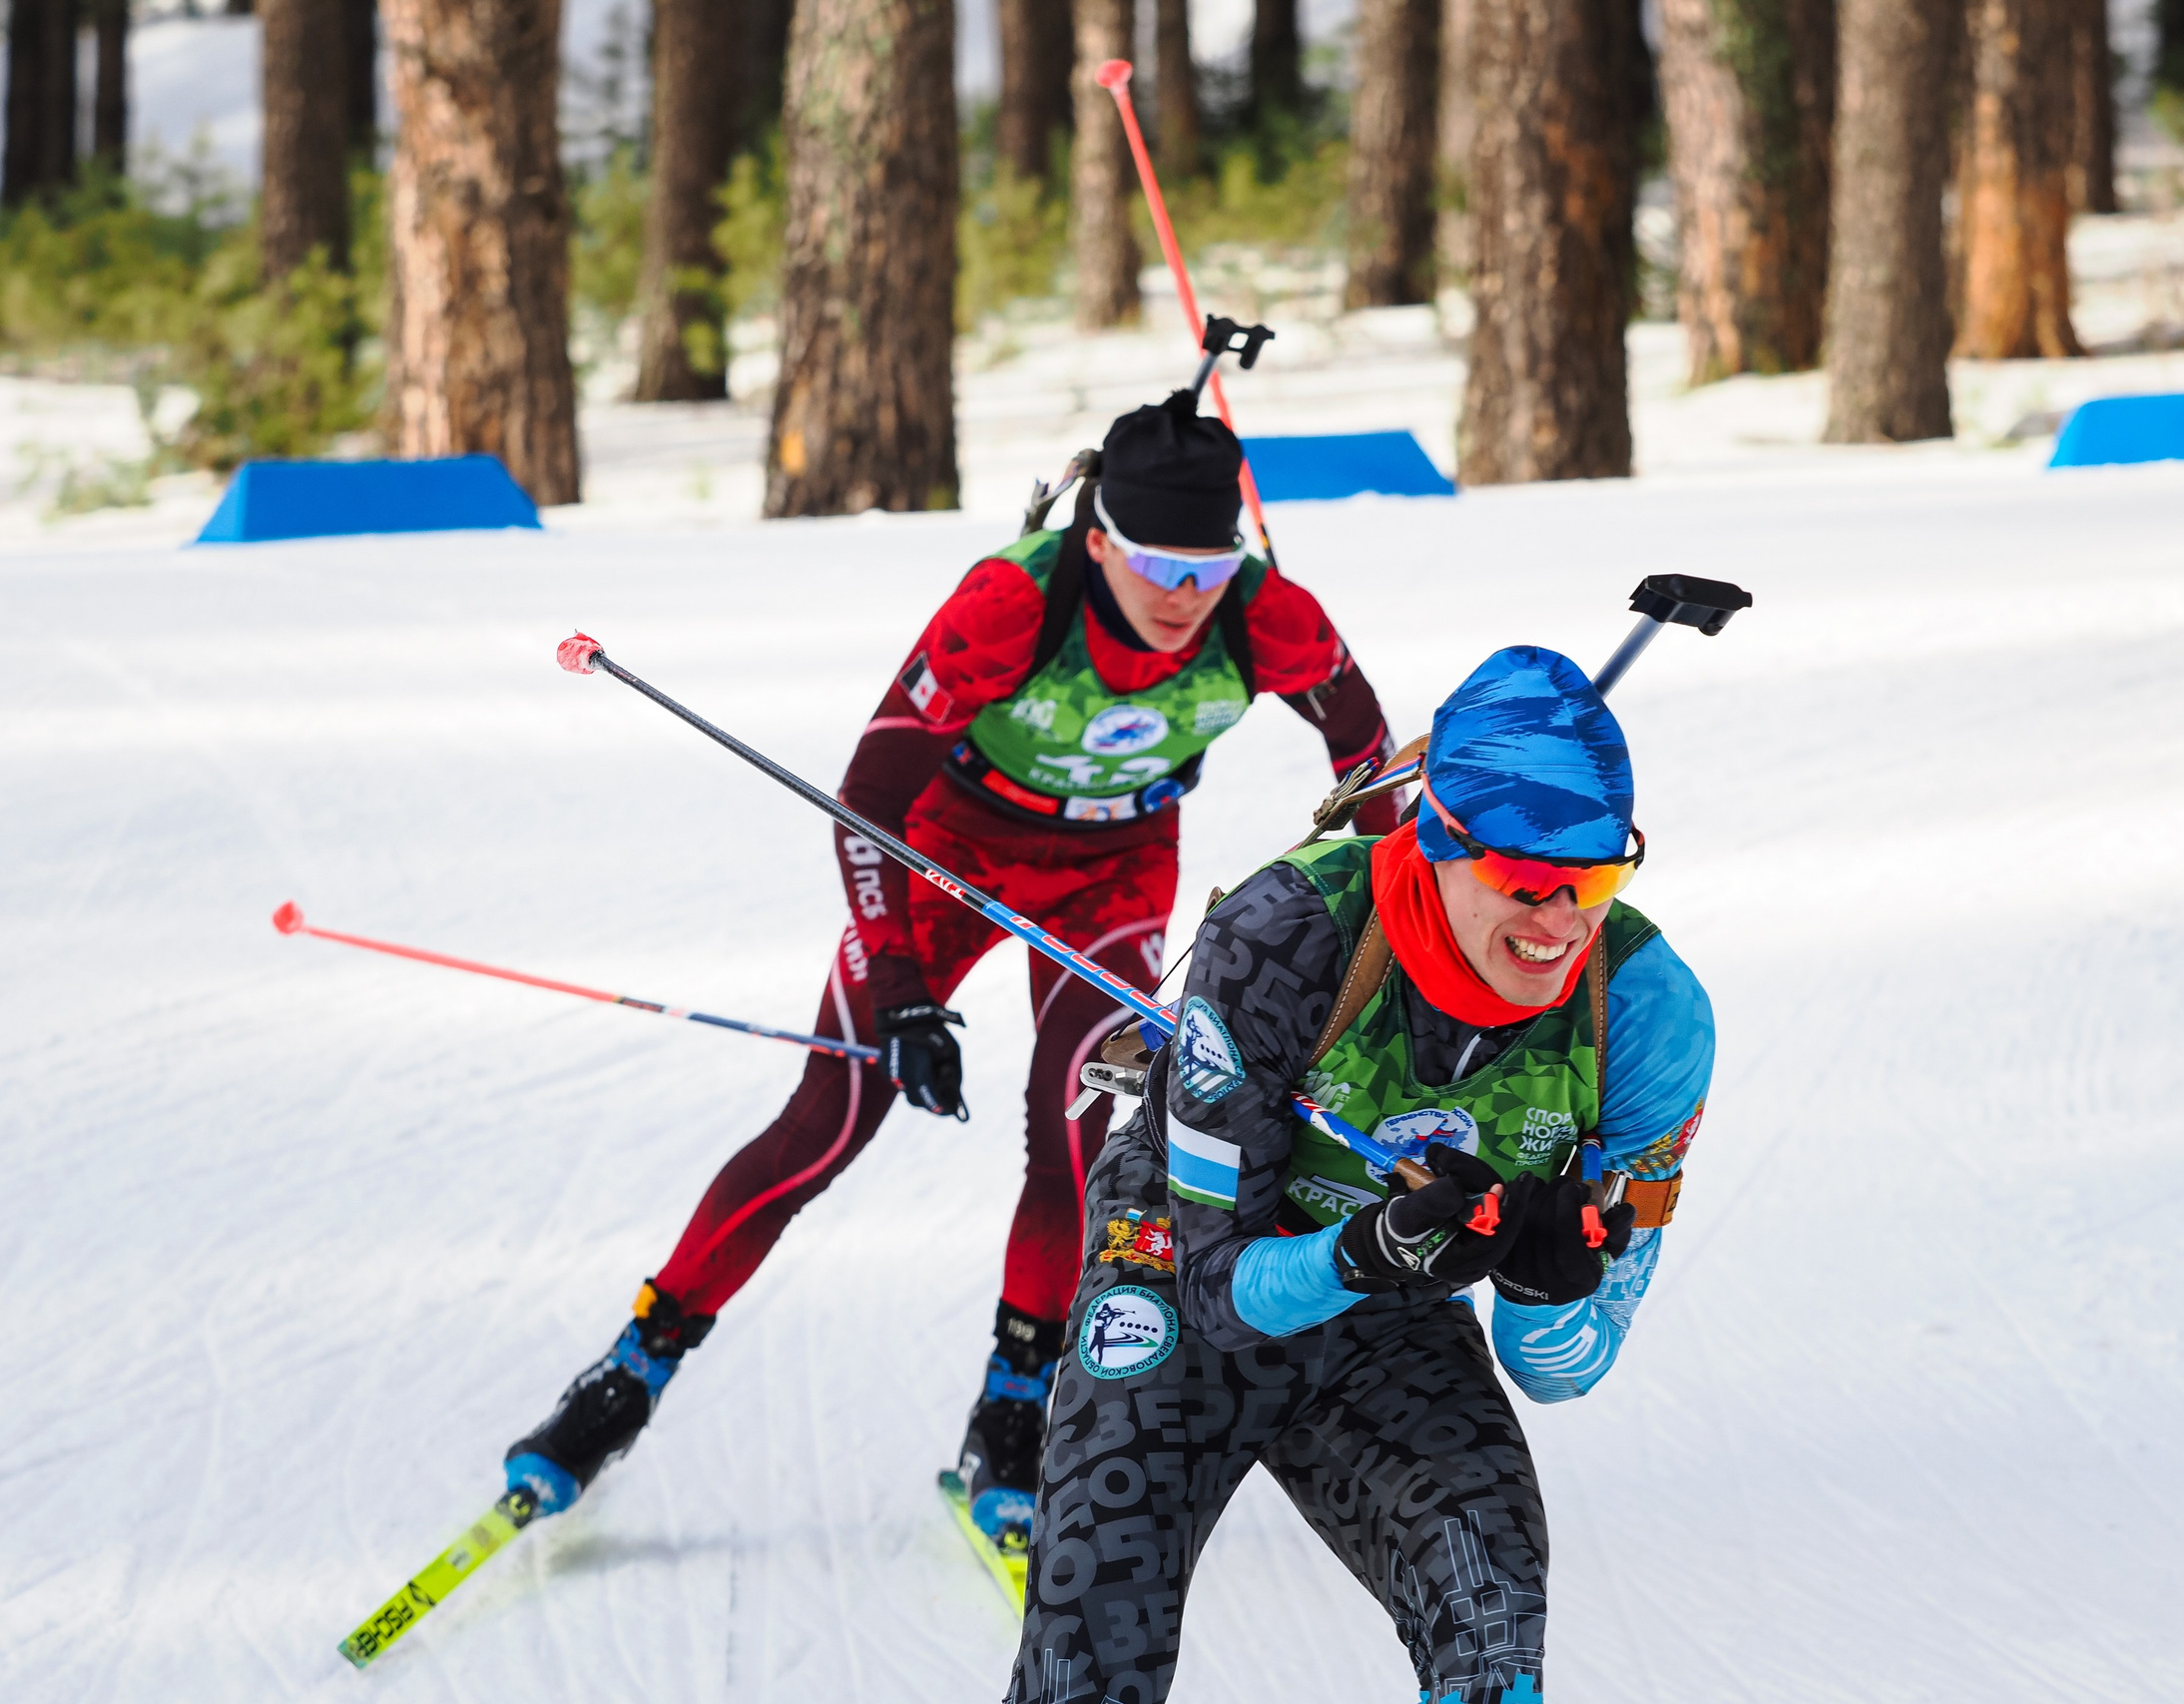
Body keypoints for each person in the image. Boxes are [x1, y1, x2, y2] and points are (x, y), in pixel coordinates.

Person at [501, 390, 1403, 1558]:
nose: (1184, 599)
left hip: (1116, 869)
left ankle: (1014, 1405)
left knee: (1076, 1125)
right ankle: (632, 1368)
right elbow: (865, 798)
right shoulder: (1013, 603)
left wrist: (1362, 920)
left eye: (1207, 567)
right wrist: (901, 991)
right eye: (1153, 565)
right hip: (943, 847)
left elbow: (1372, 773)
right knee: (830, 1117)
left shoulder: (1266, 613)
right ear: (1097, 541)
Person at [1005, 647, 1714, 1704]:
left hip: (1386, 1315)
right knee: (1092, 1646)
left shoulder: (1648, 1014)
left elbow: (1563, 1370)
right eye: (1526, 881)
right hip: (1180, 1275)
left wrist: (1536, 1285)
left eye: (1598, 879)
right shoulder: (1282, 938)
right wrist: (1368, 1247)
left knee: (1493, 1622)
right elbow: (1216, 1289)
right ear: (1436, 840)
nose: (1561, 925)